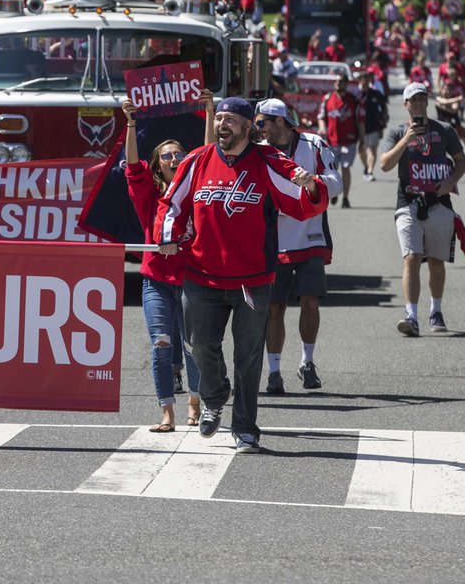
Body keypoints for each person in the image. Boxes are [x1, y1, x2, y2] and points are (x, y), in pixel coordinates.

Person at [155, 98, 328, 453]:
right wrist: (169, 237)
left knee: (248, 358)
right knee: (200, 345)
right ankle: (215, 396)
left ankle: (246, 429)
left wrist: (310, 185)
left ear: (249, 126)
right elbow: (171, 204)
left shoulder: (268, 162)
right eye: (219, 118)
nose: (223, 125)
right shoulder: (196, 160)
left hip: (253, 280)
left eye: (231, 120)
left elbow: (301, 202)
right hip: (201, 275)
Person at [120, 91, 214, 432]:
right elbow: (132, 165)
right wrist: (131, 123)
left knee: (194, 347)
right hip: (156, 281)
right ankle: (167, 414)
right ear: (157, 164)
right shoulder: (150, 194)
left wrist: (210, 111)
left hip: (191, 279)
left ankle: (195, 404)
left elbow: (208, 155)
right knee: (161, 344)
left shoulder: (195, 186)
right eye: (167, 155)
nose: (175, 158)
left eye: (179, 154)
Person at [254, 98, 342, 394]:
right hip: (273, 238)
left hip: (310, 234)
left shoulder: (313, 144)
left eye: (261, 122)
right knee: (275, 307)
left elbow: (336, 182)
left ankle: (307, 361)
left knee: (311, 302)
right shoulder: (259, 151)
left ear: (279, 121)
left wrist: (313, 183)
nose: (258, 128)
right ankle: (274, 370)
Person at [380, 82, 465, 335]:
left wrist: (451, 181)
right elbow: (385, 164)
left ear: (427, 102)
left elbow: (461, 161)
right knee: (411, 258)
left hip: (439, 202)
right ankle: (411, 315)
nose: (418, 104)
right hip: (408, 202)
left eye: (422, 99)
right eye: (413, 100)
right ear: (405, 104)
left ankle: (436, 311)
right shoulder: (397, 132)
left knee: (437, 261)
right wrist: (407, 139)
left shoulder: (444, 130)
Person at [316, 73, 363, 208]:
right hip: (332, 142)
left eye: (341, 81)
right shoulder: (327, 99)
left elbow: (360, 121)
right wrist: (322, 128)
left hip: (349, 140)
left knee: (346, 168)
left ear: (346, 83)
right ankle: (334, 193)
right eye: (336, 81)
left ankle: (346, 198)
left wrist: (362, 140)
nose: (338, 83)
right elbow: (321, 116)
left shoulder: (353, 100)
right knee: (332, 169)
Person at [357, 70, 389, 180]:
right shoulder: (357, 95)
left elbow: (383, 107)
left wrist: (384, 120)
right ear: (360, 80)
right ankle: (366, 166)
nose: (365, 81)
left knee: (373, 149)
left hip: (374, 126)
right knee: (362, 151)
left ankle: (370, 170)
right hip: (360, 128)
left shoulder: (375, 94)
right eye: (363, 78)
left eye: (367, 78)